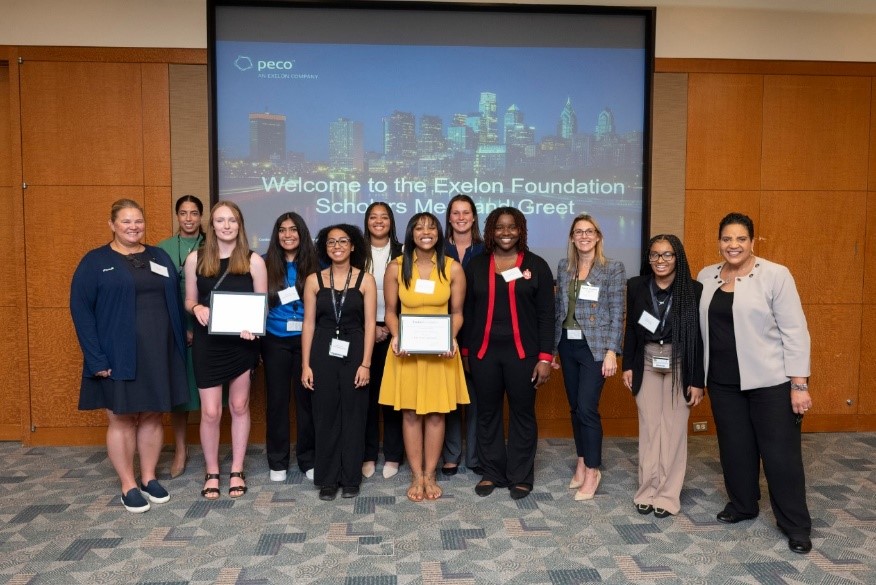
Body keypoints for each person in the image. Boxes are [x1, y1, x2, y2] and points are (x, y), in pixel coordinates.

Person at [697, 212, 813, 554]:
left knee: (781, 456)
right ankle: (742, 505)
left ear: (752, 241)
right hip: (722, 382)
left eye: (740, 239)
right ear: (719, 242)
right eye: (727, 239)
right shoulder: (706, 275)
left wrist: (799, 384)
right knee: (734, 450)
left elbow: (795, 331)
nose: (733, 245)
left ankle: (795, 525)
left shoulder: (776, 275)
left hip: (770, 382)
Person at [70, 198, 188, 513]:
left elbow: (174, 302)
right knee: (122, 418)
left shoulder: (159, 255)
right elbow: (81, 311)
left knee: (151, 414)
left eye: (138, 221)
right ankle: (128, 484)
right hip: (116, 354)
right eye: (126, 221)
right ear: (112, 224)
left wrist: (178, 343)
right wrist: (96, 359)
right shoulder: (95, 261)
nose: (133, 227)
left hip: (158, 353)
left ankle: (149, 477)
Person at [462, 207, 554, 500]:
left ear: (520, 230)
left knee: (522, 415)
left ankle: (521, 475)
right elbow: (466, 312)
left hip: (523, 356)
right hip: (483, 354)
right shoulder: (476, 266)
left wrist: (544, 357)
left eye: (512, 227)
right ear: (491, 231)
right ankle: (493, 472)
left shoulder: (537, 266)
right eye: (499, 227)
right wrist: (466, 352)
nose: (505, 232)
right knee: (487, 414)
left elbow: (546, 315)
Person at [379, 212, 469, 502]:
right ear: (411, 234)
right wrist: (397, 335)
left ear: (439, 233)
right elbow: (390, 312)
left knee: (435, 413)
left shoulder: (453, 268)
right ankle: (416, 475)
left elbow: (457, 314)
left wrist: (450, 337)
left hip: (440, 351)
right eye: (419, 228)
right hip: (406, 350)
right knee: (409, 413)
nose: (426, 232)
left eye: (431, 228)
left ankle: (430, 474)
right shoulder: (396, 267)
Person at [184, 201, 267, 500]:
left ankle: (237, 469)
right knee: (210, 411)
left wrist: (253, 328)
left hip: (241, 344)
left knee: (240, 406)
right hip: (208, 342)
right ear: (212, 225)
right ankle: (211, 472)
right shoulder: (196, 259)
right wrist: (197, 308)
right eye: (220, 220)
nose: (227, 225)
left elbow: (261, 307)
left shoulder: (253, 260)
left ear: (240, 224)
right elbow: (189, 301)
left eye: (232, 220)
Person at [622, 234, 704, 518]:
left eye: (667, 255)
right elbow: (631, 329)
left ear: (677, 258)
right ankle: (647, 489)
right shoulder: (636, 286)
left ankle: (668, 496)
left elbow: (699, 339)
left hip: (680, 363)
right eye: (655, 255)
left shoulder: (693, 289)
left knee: (674, 430)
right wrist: (628, 366)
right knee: (649, 428)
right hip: (645, 360)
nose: (661, 260)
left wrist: (697, 381)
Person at [301, 224, 376, 500]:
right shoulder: (313, 280)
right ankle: (328, 478)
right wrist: (305, 365)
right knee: (325, 415)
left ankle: (350, 477)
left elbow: (370, 324)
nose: (337, 246)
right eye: (331, 242)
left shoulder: (366, 280)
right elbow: (308, 324)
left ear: (353, 246)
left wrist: (366, 363)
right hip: (322, 350)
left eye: (343, 241)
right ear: (325, 247)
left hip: (355, 349)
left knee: (355, 414)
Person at [555, 213, 626, 501]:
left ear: (598, 236)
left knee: (587, 407)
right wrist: (551, 348)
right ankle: (582, 460)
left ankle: (594, 469)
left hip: (595, 347)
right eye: (578, 232)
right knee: (574, 407)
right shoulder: (564, 267)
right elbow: (560, 310)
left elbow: (618, 312)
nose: (584, 236)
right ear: (572, 238)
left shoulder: (612, 269)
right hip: (567, 345)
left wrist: (612, 351)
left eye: (589, 231)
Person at [261, 212, 319, 483]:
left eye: (293, 229)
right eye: (282, 230)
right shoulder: (264, 264)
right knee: (277, 402)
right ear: (276, 235)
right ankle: (278, 459)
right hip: (274, 341)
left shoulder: (317, 264)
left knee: (307, 402)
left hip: (307, 341)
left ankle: (308, 459)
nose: (287, 235)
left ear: (302, 233)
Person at [157, 194, 204, 479]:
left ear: (201, 217)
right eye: (183, 213)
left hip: (207, 326)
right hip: (174, 327)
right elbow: (158, 293)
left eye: (194, 213)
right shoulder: (161, 249)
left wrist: (200, 328)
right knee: (180, 394)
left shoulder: (212, 246)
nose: (188, 218)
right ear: (177, 216)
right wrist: (179, 328)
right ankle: (181, 449)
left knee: (212, 393)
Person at [441, 194, 485, 476]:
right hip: (441, 331)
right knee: (450, 396)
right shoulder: (437, 248)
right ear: (449, 218)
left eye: (465, 213)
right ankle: (451, 454)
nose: (460, 217)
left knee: (479, 396)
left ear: (473, 217)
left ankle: (476, 455)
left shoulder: (487, 250)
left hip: (480, 330)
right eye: (455, 213)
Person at [362, 202, 404, 479]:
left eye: (384, 217)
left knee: (392, 397)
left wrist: (391, 328)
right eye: (373, 217)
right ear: (366, 222)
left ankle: (393, 455)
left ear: (391, 221)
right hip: (361, 332)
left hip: (396, 331)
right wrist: (368, 329)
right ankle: (367, 454)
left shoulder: (404, 253)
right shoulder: (355, 251)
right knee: (364, 397)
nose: (378, 221)